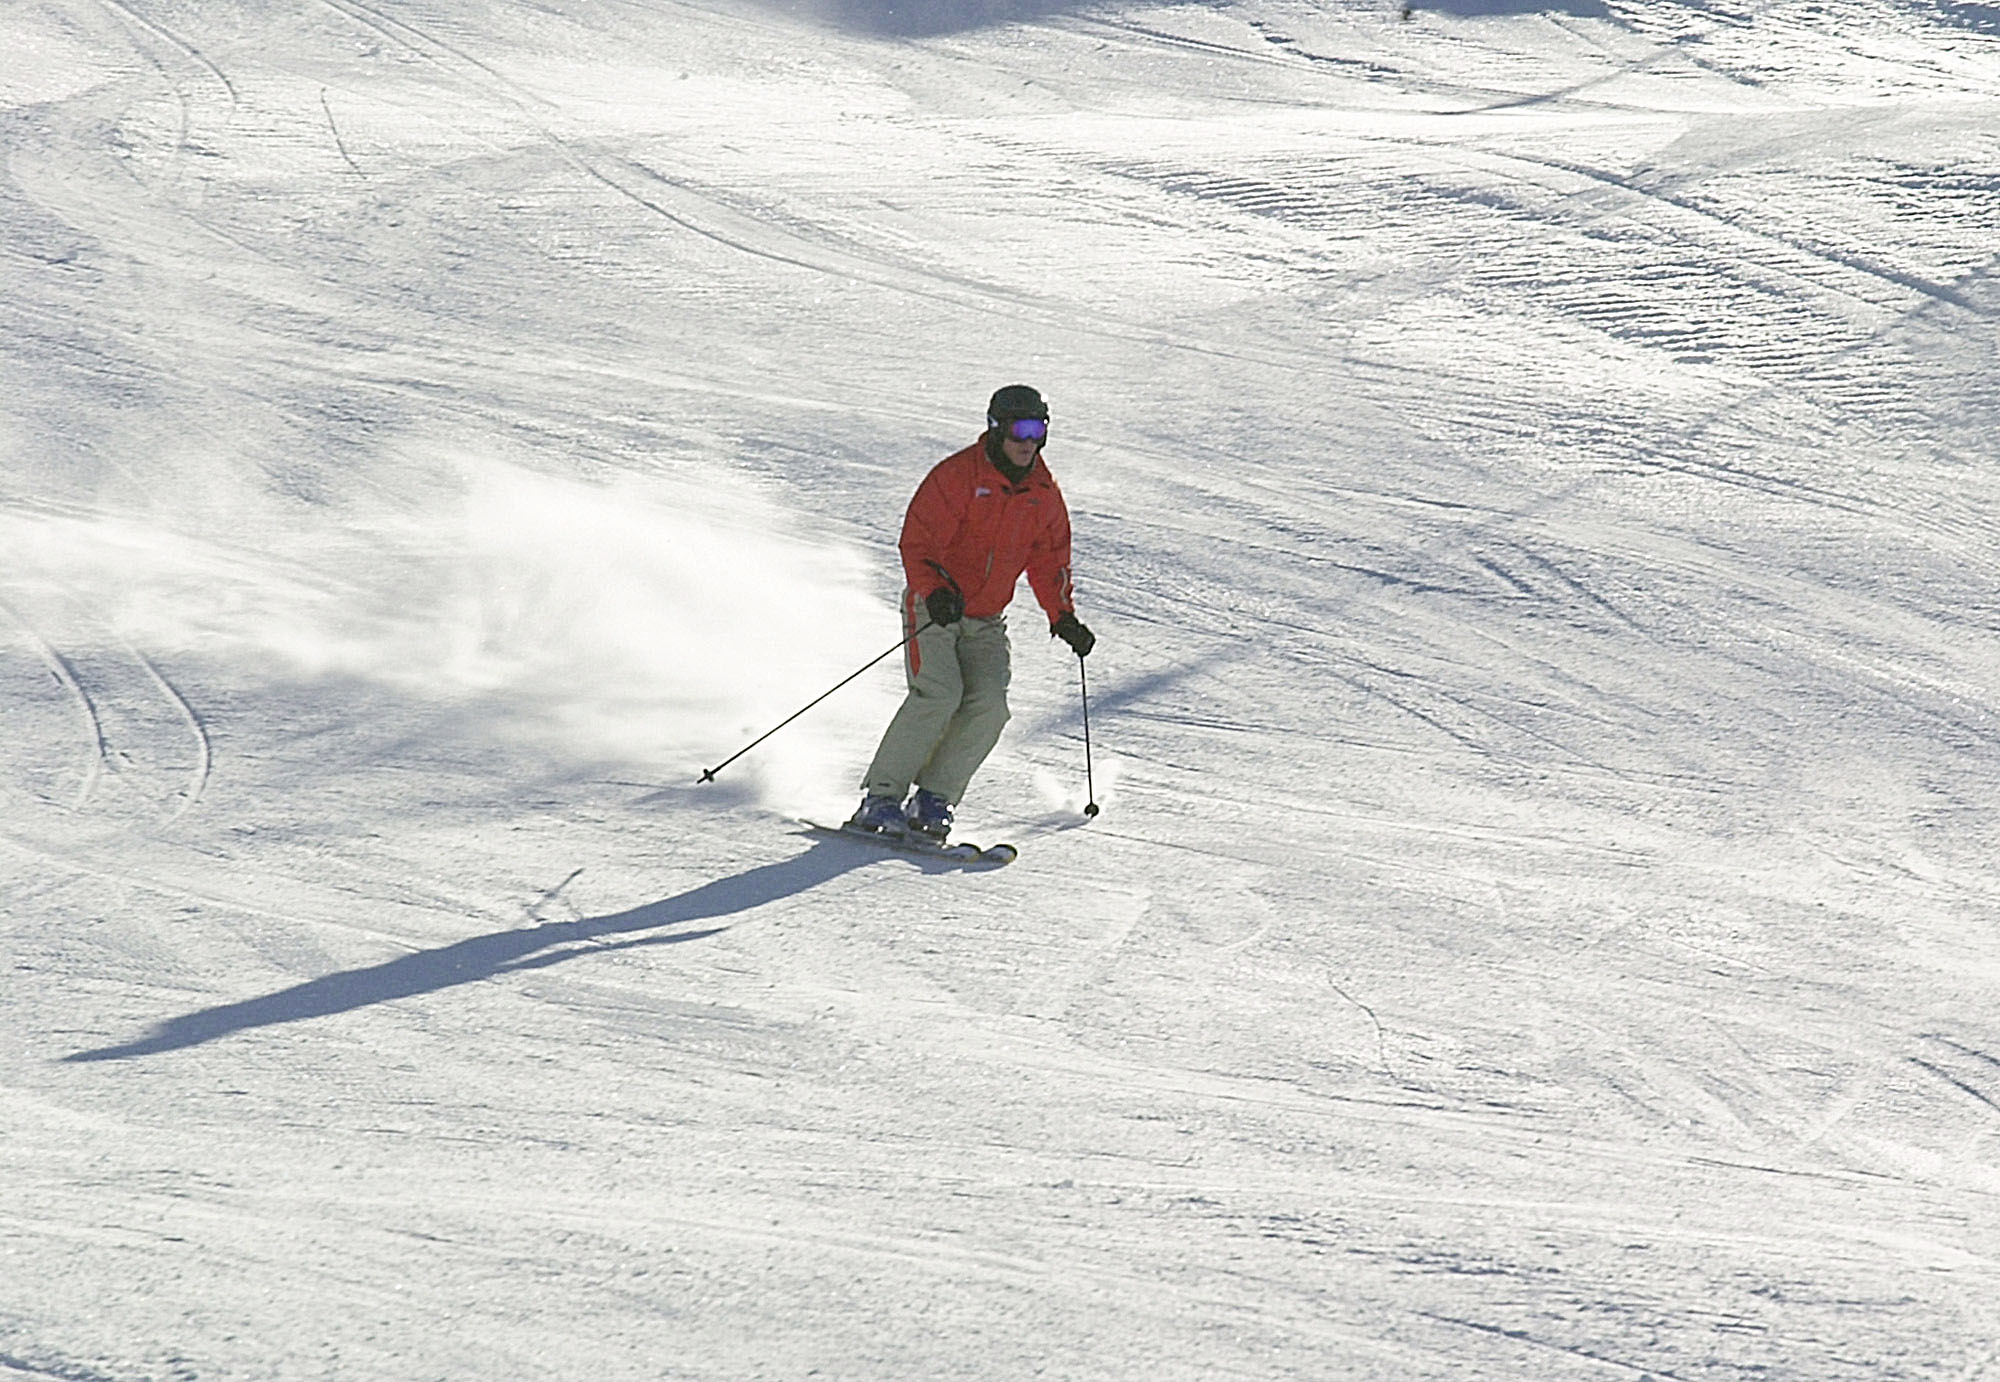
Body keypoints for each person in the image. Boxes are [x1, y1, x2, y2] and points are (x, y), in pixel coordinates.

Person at [851, 384, 1095, 842]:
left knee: (990, 707)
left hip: (985, 618)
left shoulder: (1043, 493)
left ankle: (933, 798)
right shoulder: (958, 477)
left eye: (1038, 431)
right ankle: (880, 799)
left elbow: (1051, 559)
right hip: (935, 608)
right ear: (996, 429)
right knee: (939, 695)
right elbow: (918, 543)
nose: (1029, 443)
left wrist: (1062, 616)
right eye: (1020, 431)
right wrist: (936, 591)